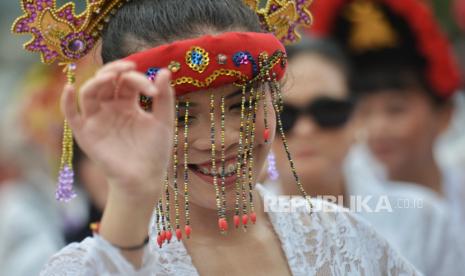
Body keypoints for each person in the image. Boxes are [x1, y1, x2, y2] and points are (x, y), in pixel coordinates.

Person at [13, 0, 420, 275]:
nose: (219, 138)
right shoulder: (88, 266)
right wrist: (131, 196)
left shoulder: (337, 236)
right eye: (182, 114)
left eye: (240, 105)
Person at [267, 36, 465, 275]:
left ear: (357, 117)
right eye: (285, 115)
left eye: (327, 111)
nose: (305, 128)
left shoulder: (424, 219)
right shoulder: (239, 229)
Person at [310, 0, 465, 231]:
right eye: (363, 111)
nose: (377, 127)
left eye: (396, 109)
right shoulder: (344, 212)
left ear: (444, 114)